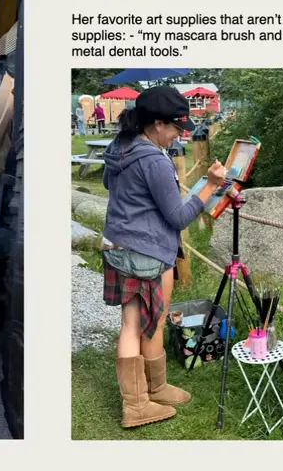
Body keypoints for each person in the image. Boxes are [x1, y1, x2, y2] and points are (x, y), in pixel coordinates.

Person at [99, 86, 232, 429]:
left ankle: (154, 389)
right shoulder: (154, 160)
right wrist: (211, 185)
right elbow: (177, 217)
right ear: (158, 124)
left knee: (135, 324)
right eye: (176, 128)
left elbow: (111, 185)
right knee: (143, 325)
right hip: (145, 254)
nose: (179, 136)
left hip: (118, 245)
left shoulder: (121, 146)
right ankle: (138, 405)